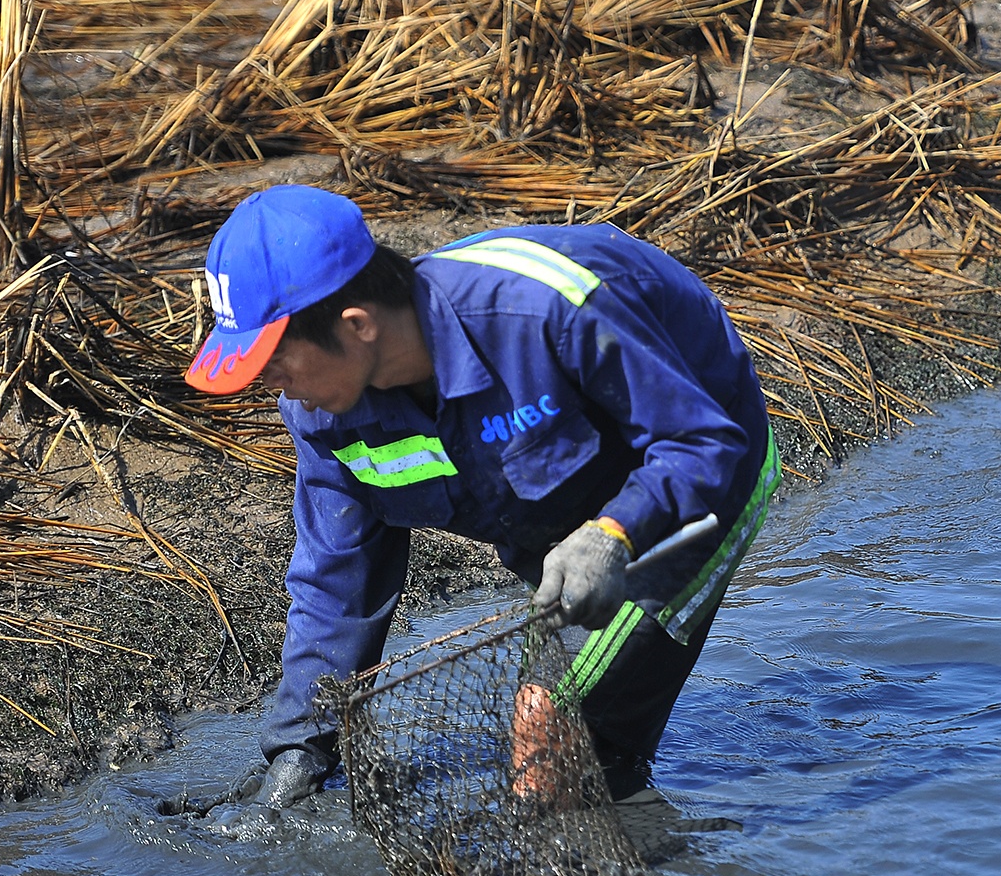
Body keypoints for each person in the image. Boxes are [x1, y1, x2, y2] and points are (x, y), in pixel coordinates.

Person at [185, 186, 778, 810]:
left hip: (697, 469)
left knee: (552, 727)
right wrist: (301, 746)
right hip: (556, 513)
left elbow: (703, 443)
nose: (269, 385)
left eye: (274, 361)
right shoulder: (322, 413)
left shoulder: (543, 313)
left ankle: (626, 846)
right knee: (568, 749)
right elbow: (337, 579)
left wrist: (615, 532)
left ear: (356, 325)